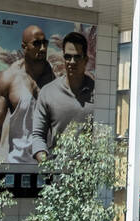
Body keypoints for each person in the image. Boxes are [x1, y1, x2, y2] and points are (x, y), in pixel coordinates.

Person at [0, 25, 56, 163]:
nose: (42, 48)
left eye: (44, 43)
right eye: (36, 43)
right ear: (24, 46)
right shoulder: (8, 78)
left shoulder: (56, 80)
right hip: (18, 164)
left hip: (49, 166)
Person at [32, 32, 95, 161]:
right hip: (58, 174)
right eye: (68, 57)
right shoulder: (48, 92)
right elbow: (38, 135)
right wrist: (46, 165)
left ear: (86, 60)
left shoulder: (99, 92)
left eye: (77, 57)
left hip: (92, 176)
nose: (72, 62)